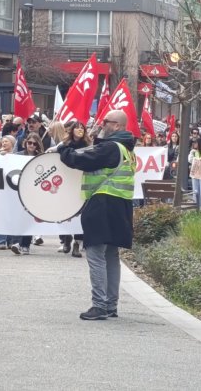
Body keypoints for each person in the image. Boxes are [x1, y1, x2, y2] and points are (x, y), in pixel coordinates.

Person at [58, 110, 136, 320]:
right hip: (120, 206)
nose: (101, 124)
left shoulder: (111, 147)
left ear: (117, 126)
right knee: (111, 255)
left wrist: (63, 149)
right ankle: (110, 305)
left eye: (106, 122)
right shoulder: (127, 150)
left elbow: (80, 160)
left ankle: (99, 305)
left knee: (95, 255)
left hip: (102, 204)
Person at [57, 121, 91, 257]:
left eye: (82, 128)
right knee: (67, 213)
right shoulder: (64, 145)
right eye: (77, 127)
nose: (79, 129)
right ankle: (66, 238)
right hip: (67, 184)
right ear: (72, 130)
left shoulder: (88, 146)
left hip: (82, 183)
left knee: (82, 214)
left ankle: (77, 243)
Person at [10, 133, 44, 255]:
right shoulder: (18, 156)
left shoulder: (40, 157)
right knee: (19, 217)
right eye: (30, 143)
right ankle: (15, 242)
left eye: (34, 144)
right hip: (19, 190)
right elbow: (8, 164)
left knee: (29, 218)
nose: (32, 145)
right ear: (25, 143)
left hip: (33, 192)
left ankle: (25, 245)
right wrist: (3, 155)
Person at [188, 137, 201, 210]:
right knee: (195, 190)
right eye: (193, 143)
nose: (194, 144)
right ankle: (196, 206)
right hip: (195, 173)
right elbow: (189, 160)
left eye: (195, 143)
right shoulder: (193, 151)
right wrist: (192, 153)